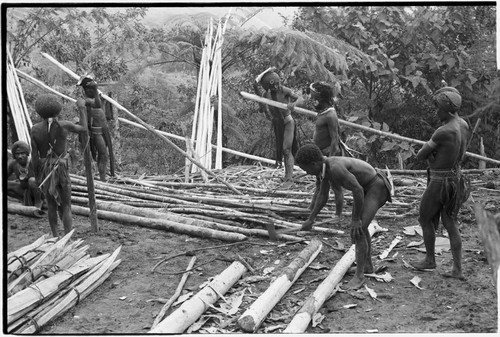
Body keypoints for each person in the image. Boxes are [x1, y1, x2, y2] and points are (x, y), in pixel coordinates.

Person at [295, 143, 392, 289]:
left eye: (306, 169)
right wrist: (311, 219)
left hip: (376, 186)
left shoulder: (335, 168)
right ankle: (367, 267)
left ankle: (359, 277)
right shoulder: (324, 169)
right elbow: (323, 195)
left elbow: (358, 190)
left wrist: (355, 219)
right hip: (366, 188)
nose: (307, 173)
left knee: (359, 229)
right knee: (361, 228)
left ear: (314, 164)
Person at [410, 86, 470, 280]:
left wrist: (431, 152)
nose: (437, 112)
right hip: (456, 178)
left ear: (447, 109)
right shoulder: (463, 125)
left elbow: (420, 155)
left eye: (438, 109)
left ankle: (429, 260)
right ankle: (458, 269)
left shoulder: (443, 131)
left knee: (425, 218)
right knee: (450, 222)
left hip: (439, 181)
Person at [31, 94, 87, 237]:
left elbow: (35, 156)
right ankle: (67, 236)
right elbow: (84, 128)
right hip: (60, 169)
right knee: (66, 205)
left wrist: (38, 177)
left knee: (51, 205)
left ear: (39, 112)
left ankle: (56, 236)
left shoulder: (35, 129)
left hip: (45, 171)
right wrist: (81, 108)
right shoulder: (64, 125)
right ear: (58, 110)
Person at [253, 67, 304, 183]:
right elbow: (255, 87)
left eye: (277, 84)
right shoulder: (266, 95)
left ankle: (289, 177)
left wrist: (293, 104)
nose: (276, 87)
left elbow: (300, 99)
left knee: (287, 150)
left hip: (288, 122)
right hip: (277, 124)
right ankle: (287, 175)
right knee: (282, 150)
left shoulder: (284, 90)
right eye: (274, 85)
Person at [76, 76, 114, 181]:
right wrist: (96, 90)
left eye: (91, 88)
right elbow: (97, 105)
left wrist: (96, 90)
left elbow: (104, 107)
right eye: (87, 89)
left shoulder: (101, 96)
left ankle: (103, 177)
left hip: (104, 128)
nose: (89, 90)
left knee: (105, 155)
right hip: (96, 130)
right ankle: (102, 179)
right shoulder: (85, 100)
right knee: (103, 154)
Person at [7, 140, 43, 208]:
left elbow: (45, 179)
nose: (20, 156)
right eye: (17, 154)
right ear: (14, 155)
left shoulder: (35, 162)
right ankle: (25, 199)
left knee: (32, 180)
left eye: (22, 153)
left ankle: (38, 202)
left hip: (40, 191)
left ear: (27, 153)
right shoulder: (13, 164)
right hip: (25, 190)